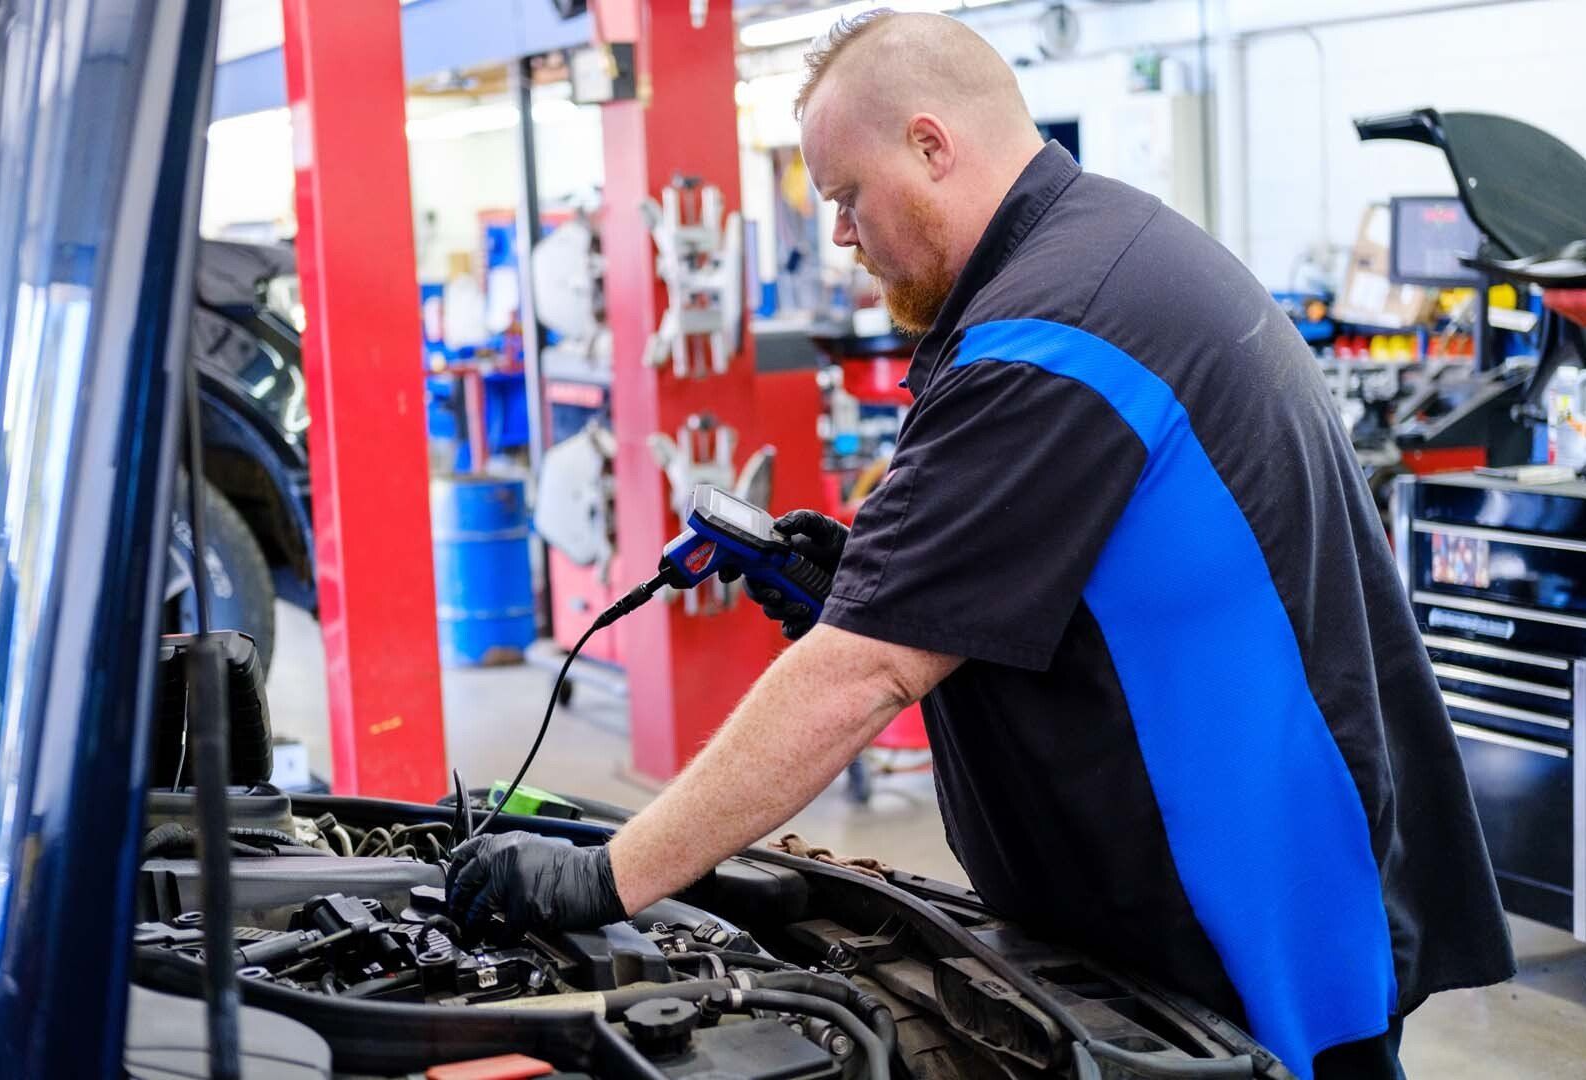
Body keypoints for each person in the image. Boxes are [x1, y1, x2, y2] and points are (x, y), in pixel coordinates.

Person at [447, 12, 1515, 1078]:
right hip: (1244, 881)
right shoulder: (1104, 252)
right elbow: (1095, 568)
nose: (841, 237)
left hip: (1246, 926)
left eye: (845, 197)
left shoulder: (1052, 340)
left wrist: (612, 876)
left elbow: (859, 677)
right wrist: (880, 582)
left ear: (930, 145)